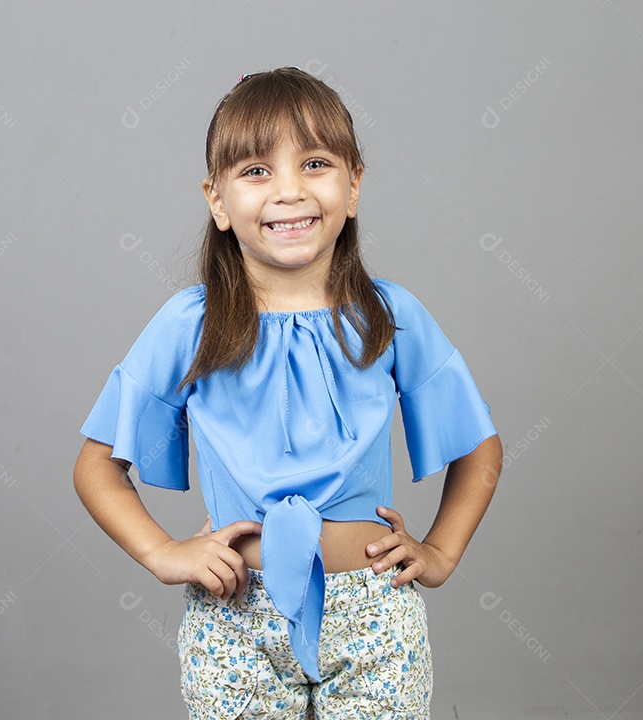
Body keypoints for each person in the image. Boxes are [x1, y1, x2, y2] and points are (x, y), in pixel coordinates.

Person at [74, 66, 503, 720]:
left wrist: (439, 552)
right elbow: (96, 467)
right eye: (255, 171)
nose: (289, 191)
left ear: (353, 184)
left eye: (315, 163)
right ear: (216, 200)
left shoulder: (390, 316)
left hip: (374, 621)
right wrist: (163, 553)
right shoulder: (189, 325)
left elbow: (480, 449)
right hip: (236, 618)